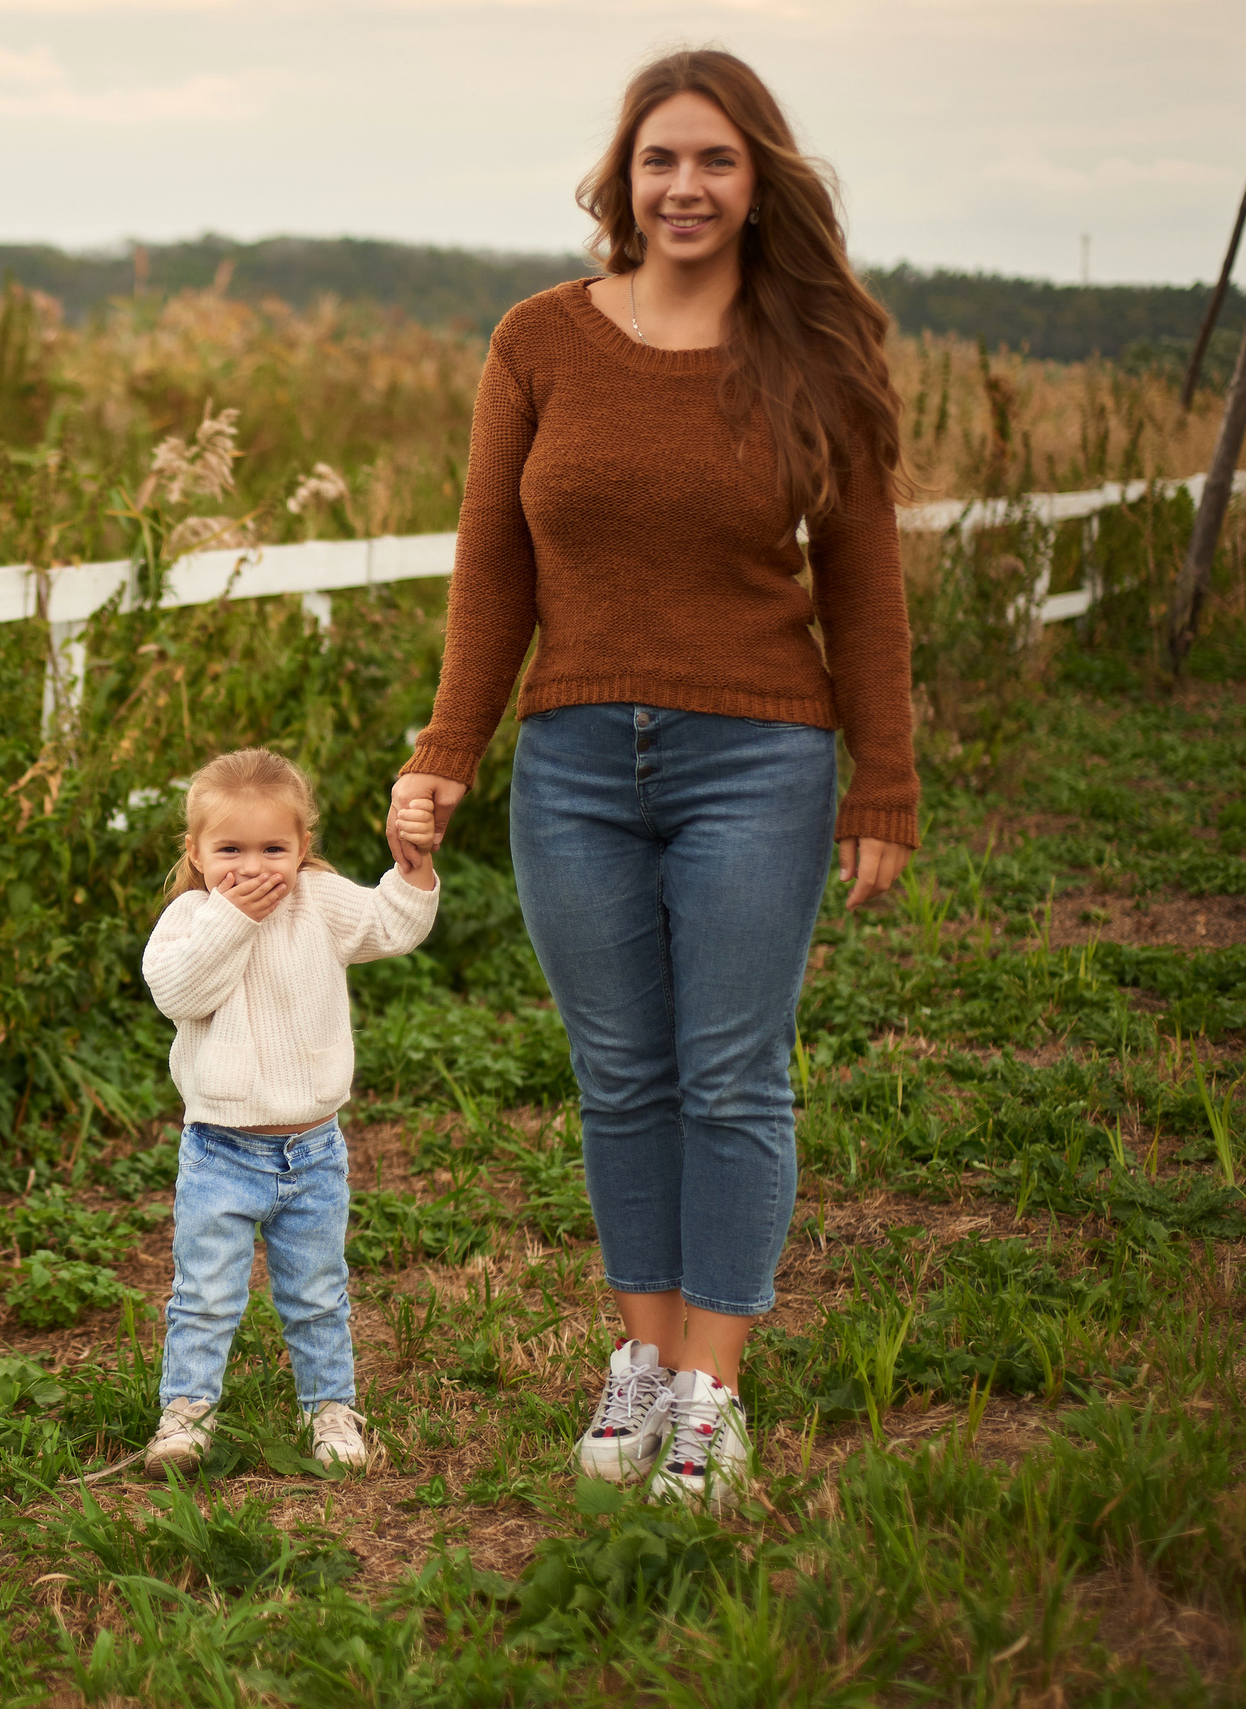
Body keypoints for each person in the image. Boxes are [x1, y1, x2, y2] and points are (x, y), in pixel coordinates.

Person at [388, 49, 917, 1506]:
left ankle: (711, 1395)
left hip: (758, 756)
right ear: (623, 177)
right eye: (660, 158)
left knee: (729, 1073)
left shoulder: (812, 357)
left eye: (716, 159)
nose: (685, 185)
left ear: (759, 182)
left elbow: (865, 587)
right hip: (571, 760)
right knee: (620, 1075)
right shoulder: (540, 341)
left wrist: (884, 784)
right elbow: (493, 561)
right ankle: (641, 1358)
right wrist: (448, 747)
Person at [139, 748, 442, 1473]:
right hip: (220, 1151)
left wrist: (414, 869)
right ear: (196, 852)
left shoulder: (319, 903)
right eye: (230, 850)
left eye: (273, 848)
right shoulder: (190, 918)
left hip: (312, 1151)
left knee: (317, 1294)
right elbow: (180, 993)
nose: (254, 867)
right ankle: (186, 1417)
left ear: (303, 846)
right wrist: (232, 919)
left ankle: (330, 1410)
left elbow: (392, 926)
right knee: (205, 1295)